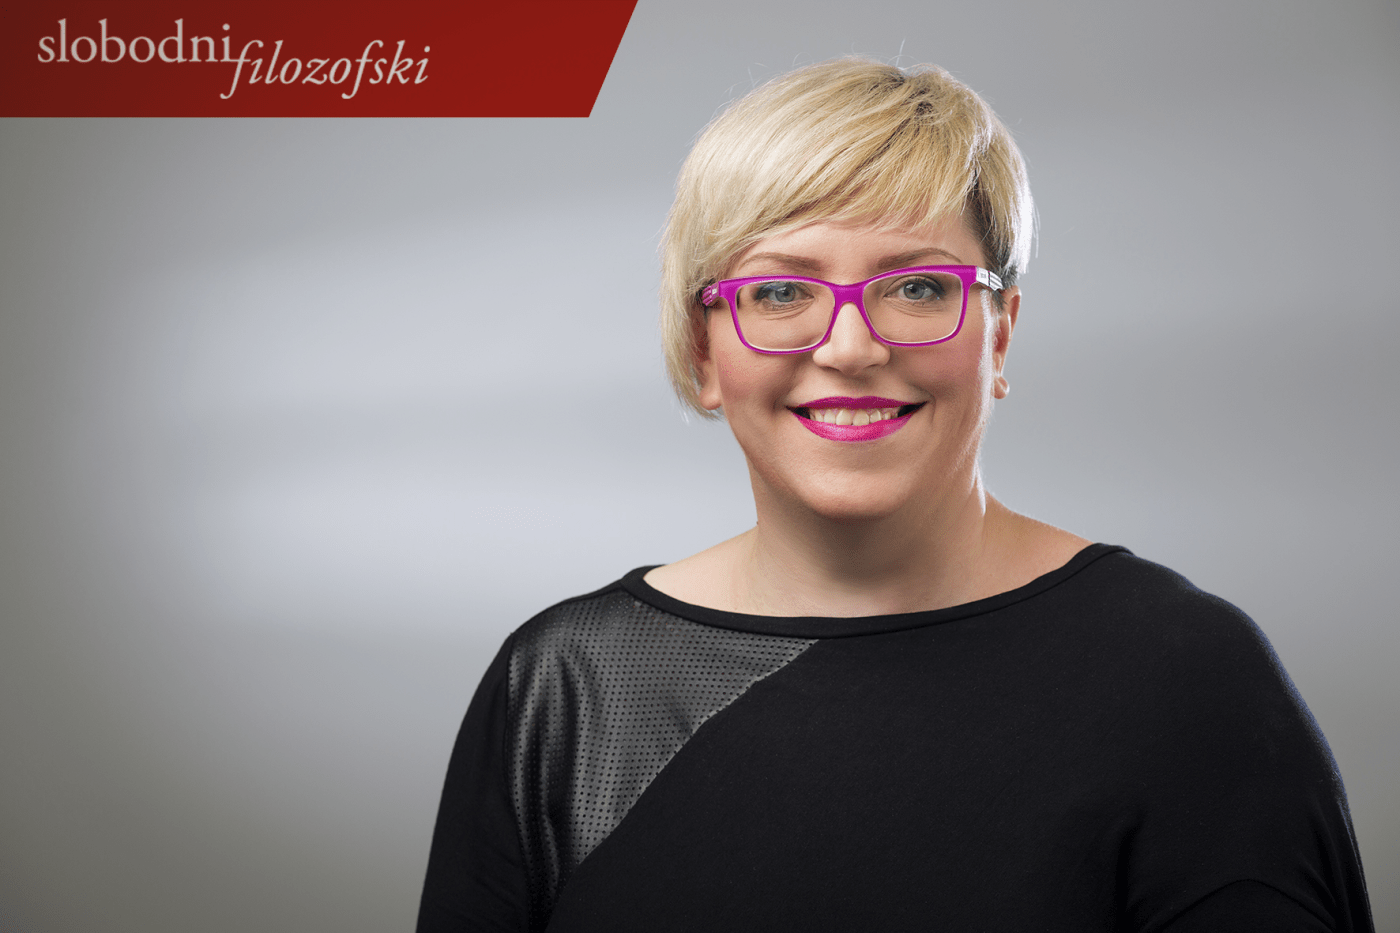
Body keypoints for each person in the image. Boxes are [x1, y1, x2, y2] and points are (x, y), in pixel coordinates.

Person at [417, 59, 1373, 932]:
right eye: (780, 294)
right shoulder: (567, 690)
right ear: (704, 352)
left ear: (1000, 335)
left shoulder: (1187, 678)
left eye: (917, 288)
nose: (851, 347)